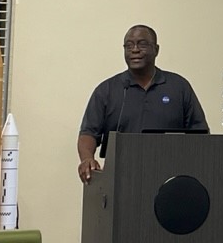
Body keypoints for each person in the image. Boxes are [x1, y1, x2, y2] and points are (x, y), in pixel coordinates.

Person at [77, 24, 209, 183]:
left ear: (156, 49)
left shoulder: (178, 87)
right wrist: (86, 159)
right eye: (128, 45)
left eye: (142, 44)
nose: (135, 49)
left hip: (172, 180)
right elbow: (88, 133)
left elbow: (200, 133)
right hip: (120, 179)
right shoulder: (107, 90)